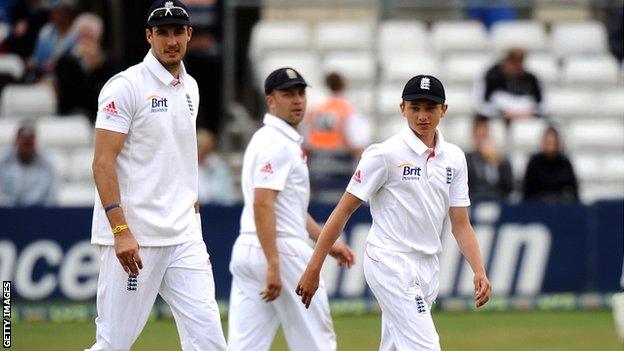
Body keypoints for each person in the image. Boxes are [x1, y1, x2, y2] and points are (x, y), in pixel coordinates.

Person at [296, 75, 491, 350]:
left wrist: (479, 270)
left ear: (443, 110)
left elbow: (461, 224)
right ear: (402, 108)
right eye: (415, 108)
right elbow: (342, 211)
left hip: (427, 265)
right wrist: (314, 268)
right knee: (426, 346)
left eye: (430, 108)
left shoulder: (455, 158)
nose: (422, 116)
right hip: (388, 262)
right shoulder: (384, 154)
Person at [87, 1, 226, 350]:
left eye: (178, 31)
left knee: (210, 342)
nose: (171, 40)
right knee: (113, 345)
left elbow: (173, 154)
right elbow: (102, 162)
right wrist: (120, 231)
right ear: (149, 36)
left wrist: (189, 202)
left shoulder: (190, 87)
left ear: (189, 34)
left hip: (183, 236)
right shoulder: (125, 86)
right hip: (135, 239)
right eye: (162, 32)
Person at [228, 67, 355, 351]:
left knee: (244, 347)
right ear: (271, 101)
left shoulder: (264, 138)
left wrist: (324, 240)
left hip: (249, 248)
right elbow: (263, 203)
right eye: (288, 94)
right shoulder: (278, 144)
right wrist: (273, 263)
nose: (297, 100)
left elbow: (288, 207)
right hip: (281, 252)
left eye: (301, 93)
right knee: (317, 344)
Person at [304, 71, 371, 204]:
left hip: (317, 165)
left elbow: (306, 138)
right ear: (343, 85)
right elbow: (357, 144)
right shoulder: (347, 108)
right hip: (341, 166)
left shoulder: (316, 108)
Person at [54, 12, 117, 122]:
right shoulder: (65, 60)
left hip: (101, 115)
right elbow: (67, 93)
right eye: (82, 36)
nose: (86, 41)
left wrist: (97, 67)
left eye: (90, 37)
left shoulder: (109, 60)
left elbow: (110, 91)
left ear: (98, 38)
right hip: (71, 114)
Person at [0, 122, 58, 207]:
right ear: (16, 140)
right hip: (8, 214)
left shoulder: (47, 164)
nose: (26, 147)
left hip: (39, 213)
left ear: (35, 142)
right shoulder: (3, 161)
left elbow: (52, 196)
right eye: (24, 142)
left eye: (29, 143)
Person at [477, 48, 542, 121]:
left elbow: (540, 105)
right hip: (497, 119)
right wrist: (501, 112)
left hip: (525, 120)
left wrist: (523, 114)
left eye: (520, 61)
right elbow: (481, 104)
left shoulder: (531, 79)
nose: (517, 66)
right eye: (514, 61)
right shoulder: (492, 77)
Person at [523, 126, 579, 203]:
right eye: (548, 142)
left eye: (553, 142)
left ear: (558, 142)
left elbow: (573, 191)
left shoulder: (565, 163)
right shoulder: (534, 163)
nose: (550, 144)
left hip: (560, 207)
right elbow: (527, 191)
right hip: (538, 207)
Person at [465, 115, 513, 201]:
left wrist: (495, 162)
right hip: (474, 200)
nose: (481, 138)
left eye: (484, 134)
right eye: (478, 134)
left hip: (497, 199)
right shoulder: (466, 159)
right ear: (473, 135)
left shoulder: (501, 159)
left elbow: (508, 186)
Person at [26, 0, 76, 80]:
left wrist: (56, 65)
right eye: (53, 12)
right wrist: (34, 63)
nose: (54, 15)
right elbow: (36, 58)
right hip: (43, 75)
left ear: (67, 14)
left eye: (58, 12)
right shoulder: (46, 31)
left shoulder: (76, 32)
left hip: (67, 78)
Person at [197, 128, 236, 205]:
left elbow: (226, 197)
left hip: (216, 209)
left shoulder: (219, 166)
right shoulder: (187, 169)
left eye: (206, 151)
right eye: (200, 150)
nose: (203, 155)